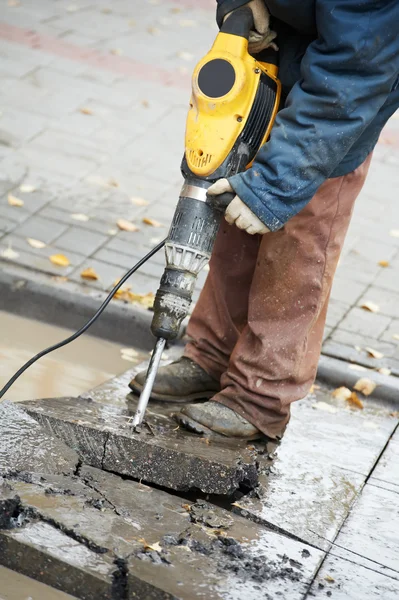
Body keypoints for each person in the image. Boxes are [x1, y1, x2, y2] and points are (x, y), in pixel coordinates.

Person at [131, 0, 399, 441]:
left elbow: (357, 69)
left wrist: (276, 185)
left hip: (342, 95)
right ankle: (211, 358)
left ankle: (261, 394)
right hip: (281, 55)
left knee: (298, 232)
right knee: (231, 206)